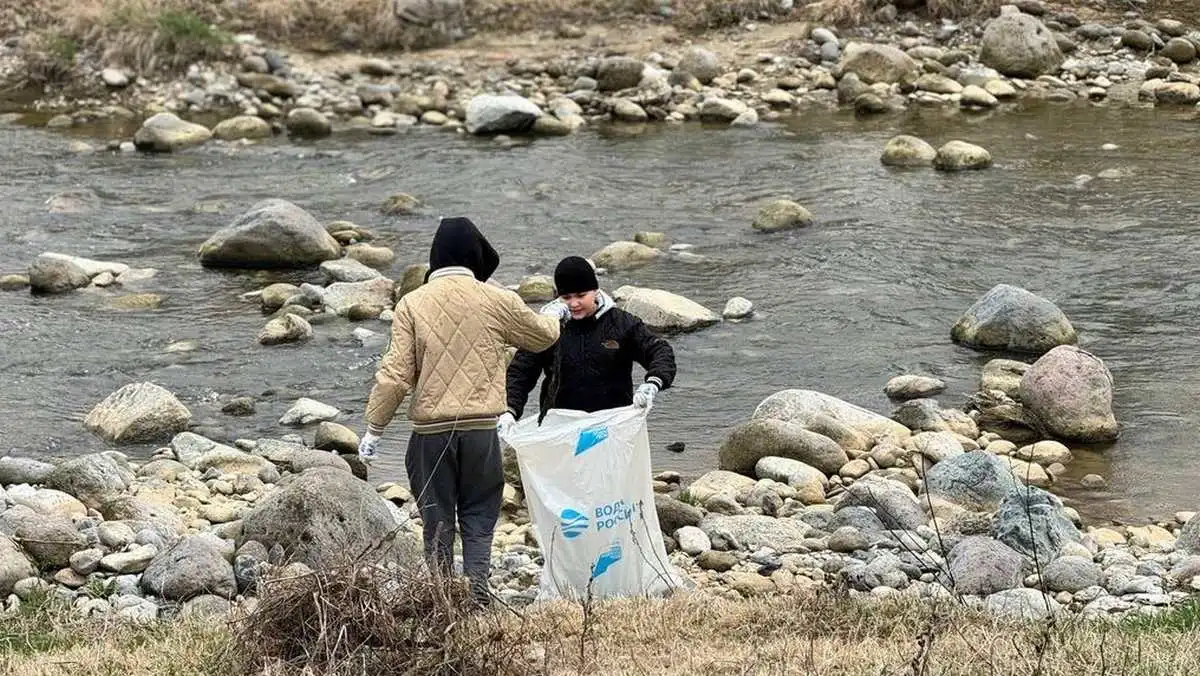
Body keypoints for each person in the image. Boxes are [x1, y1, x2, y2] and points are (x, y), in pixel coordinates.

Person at [357, 216, 560, 605]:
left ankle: (442, 601)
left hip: (430, 437)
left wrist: (374, 430)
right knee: (480, 516)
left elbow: (395, 377)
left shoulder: (411, 303)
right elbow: (542, 337)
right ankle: (478, 596)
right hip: (481, 432)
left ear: (436, 256)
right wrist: (555, 313)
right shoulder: (496, 299)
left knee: (436, 521)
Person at [500, 256, 676, 432]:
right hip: (559, 426)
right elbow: (520, 372)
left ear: (595, 291)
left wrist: (653, 383)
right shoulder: (547, 327)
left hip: (612, 426)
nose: (574, 303)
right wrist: (509, 411)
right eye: (566, 297)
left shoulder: (622, 323)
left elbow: (659, 350)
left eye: (581, 295)